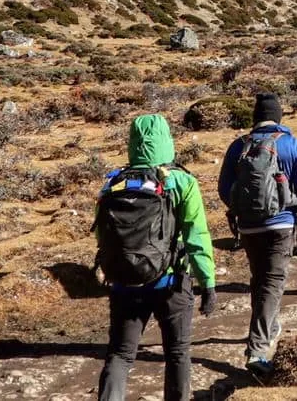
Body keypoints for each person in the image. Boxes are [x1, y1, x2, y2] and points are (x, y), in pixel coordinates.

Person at [95, 114, 217, 401]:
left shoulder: (113, 183)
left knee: (121, 355)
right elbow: (196, 236)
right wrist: (207, 282)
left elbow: (102, 235)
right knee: (177, 354)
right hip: (171, 283)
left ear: (132, 143)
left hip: (125, 284)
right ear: (167, 141)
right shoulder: (182, 182)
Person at [218, 92, 297, 376]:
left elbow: (224, 188)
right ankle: (257, 349)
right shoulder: (290, 143)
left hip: (248, 226)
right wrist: (296, 209)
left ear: (255, 117)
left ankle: (269, 327)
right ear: (279, 116)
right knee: (272, 283)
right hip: (281, 223)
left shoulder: (239, 145)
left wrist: (241, 209)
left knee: (260, 280)